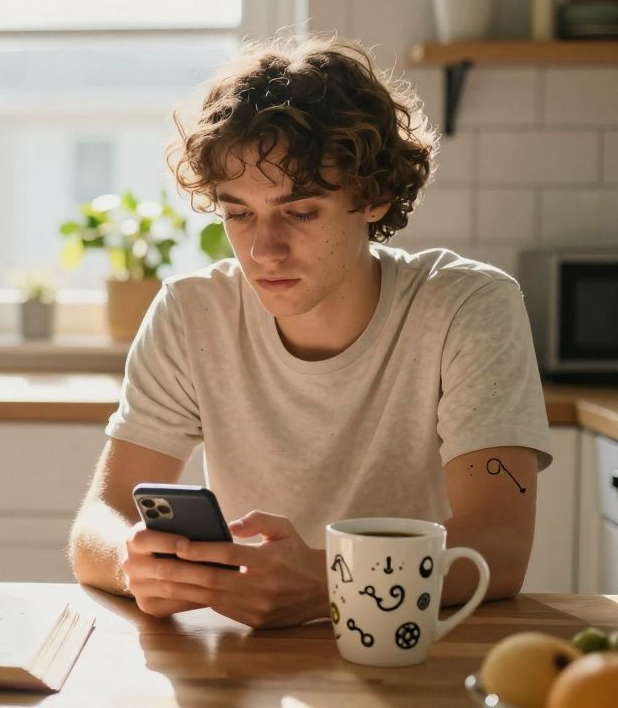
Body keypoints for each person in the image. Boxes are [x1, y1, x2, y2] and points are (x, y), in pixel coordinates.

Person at [68, 37, 551, 629]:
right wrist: (135, 564)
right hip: (252, 659)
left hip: (414, 648)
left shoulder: (467, 306)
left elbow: (497, 547)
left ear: (373, 197)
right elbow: (100, 519)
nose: (262, 249)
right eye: (238, 212)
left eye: (299, 212)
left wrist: (327, 583)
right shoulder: (191, 313)